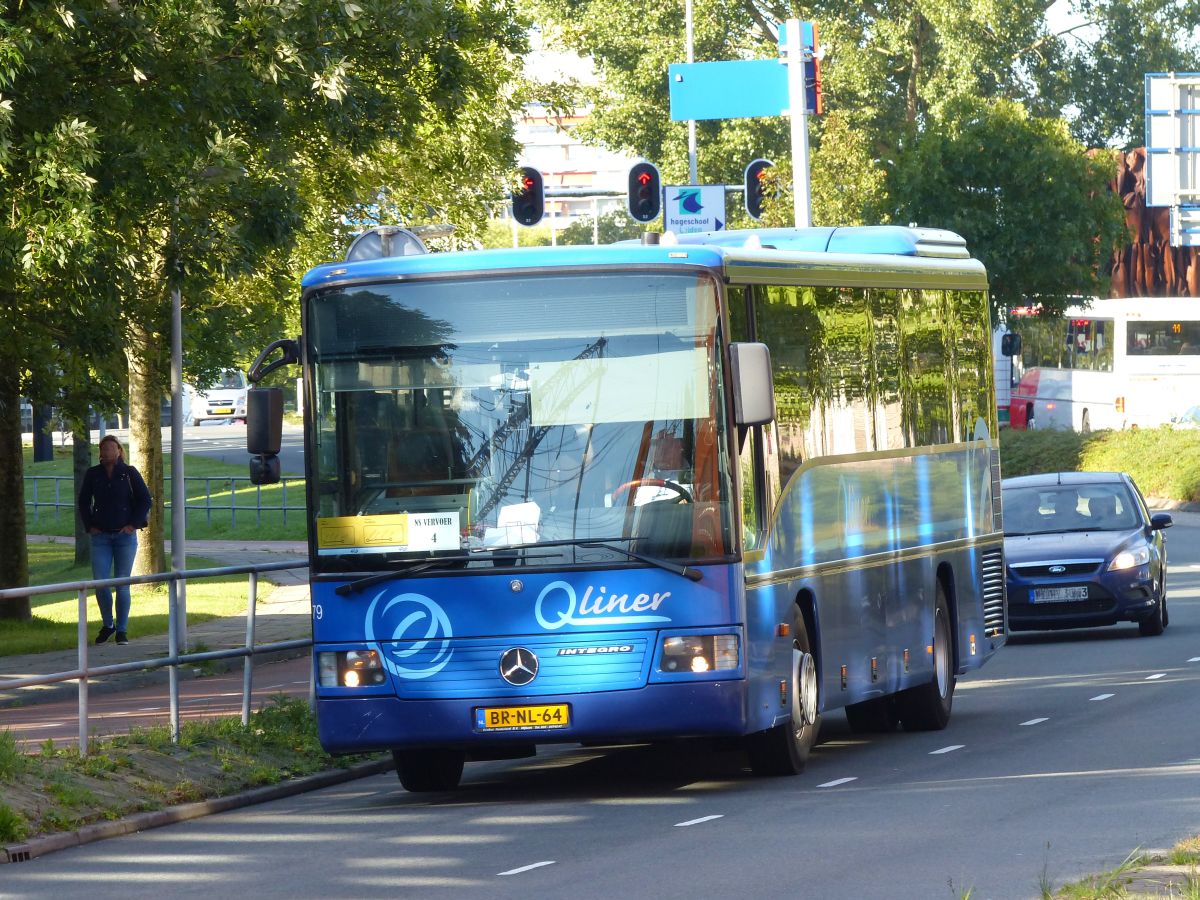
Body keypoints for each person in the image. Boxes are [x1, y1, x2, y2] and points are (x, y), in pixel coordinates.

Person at [77, 435, 152, 645]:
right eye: (104, 448)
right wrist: (90, 524)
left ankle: (122, 629)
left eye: (111, 448)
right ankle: (108, 624)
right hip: (101, 536)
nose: (107, 452)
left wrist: (133, 524)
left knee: (122, 583)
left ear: (119, 451)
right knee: (101, 582)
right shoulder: (93, 474)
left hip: (124, 537)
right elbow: (83, 501)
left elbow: (145, 499)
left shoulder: (129, 473)